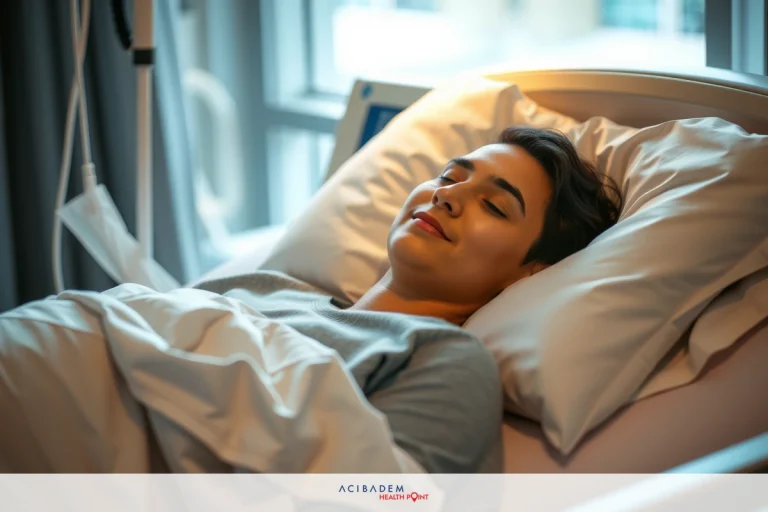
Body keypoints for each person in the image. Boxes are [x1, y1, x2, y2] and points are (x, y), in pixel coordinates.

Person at [0, 127, 621, 473]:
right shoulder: (271, 287)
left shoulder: (444, 361)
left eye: (493, 204)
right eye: (450, 176)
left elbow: (389, 495)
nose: (447, 196)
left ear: (528, 274)